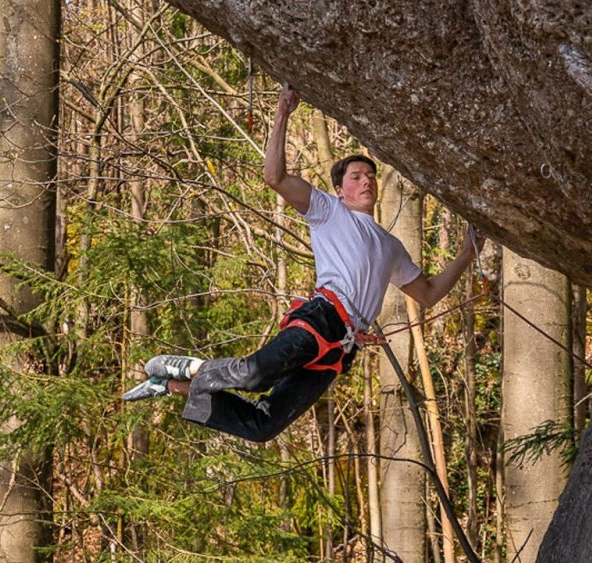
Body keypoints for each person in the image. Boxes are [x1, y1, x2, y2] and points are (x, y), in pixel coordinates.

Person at [123, 86, 484, 442]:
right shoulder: (329, 211)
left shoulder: (391, 247)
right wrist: (282, 114)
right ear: (340, 190)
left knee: (263, 425)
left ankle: (168, 384)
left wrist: (466, 254)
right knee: (255, 375)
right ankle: (189, 366)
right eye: (356, 176)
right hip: (322, 316)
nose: (367, 181)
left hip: (344, 345)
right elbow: (274, 177)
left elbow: (430, 293)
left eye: (371, 176)